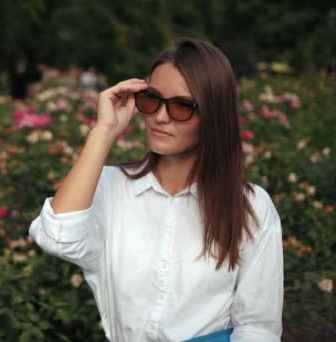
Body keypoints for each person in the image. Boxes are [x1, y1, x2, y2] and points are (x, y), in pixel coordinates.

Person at [28, 37, 284, 342]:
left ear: (213, 116)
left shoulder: (250, 206)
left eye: (181, 106)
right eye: (152, 99)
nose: (160, 116)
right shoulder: (112, 187)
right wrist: (103, 132)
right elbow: (57, 238)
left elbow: (257, 327)